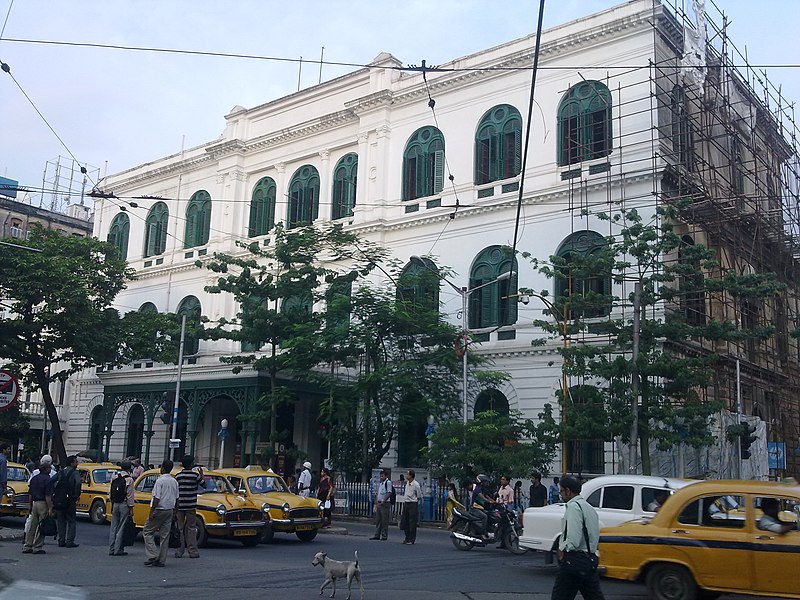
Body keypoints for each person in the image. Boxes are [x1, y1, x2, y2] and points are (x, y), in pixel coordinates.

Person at [552, 475, 605, 600]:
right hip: (590, 560)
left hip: (574, 561)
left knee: (560, 596)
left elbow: (573, 539)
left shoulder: (573, 507)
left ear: (568, 491)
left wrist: (562, 548)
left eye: (561, 490)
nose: (560, 494)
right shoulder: (589, 508)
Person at [142, 460, 179, 567]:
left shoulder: (160, 481)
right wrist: (175, 512)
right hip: (169, 509)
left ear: (162, 468)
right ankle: (162, 559)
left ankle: (152, 554)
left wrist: (152, 511)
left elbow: (156, 497)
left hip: (159, 509)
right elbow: (177, 498)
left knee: (147, 531)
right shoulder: (174, 481)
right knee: (165, 535)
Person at [174, 454, 205, 559]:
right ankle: (192, 550)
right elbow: (204, 485)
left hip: (180, 505)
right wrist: (202, 475)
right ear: (191, 464)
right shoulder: (195, 476)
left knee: (180, 528)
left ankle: (179, 551)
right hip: (191, 505)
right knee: (191, 528)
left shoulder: (178, 476)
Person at [22, 461, 54, 554]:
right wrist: (50, 507)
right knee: (42, 525)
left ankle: (27, 545)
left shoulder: (34, 479)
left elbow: (30, 494)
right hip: (43, 503)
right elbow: (48, 495)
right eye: (49, 468)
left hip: (35, 502)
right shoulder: (48, 480)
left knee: (32, 525)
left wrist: (30, 505)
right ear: (46, 469)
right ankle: (37, 546)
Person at [108, 460, 135, 556]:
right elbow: (130, 496)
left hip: (115, 503)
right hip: (124, 504)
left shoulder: (115, 477)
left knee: (113, 527)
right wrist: (131, 508)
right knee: (121, 527)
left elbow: (111, 493)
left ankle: (111, 548)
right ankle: (118, 549)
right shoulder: (129, 480)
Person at [54, 454, 81, 548]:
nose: (77, 463)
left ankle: (61, 540)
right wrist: (76, 495)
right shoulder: (75, 473)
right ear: (72, 463)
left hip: (60, 499)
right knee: (71, 520)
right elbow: (78, 483)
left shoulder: (61, 472)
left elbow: (52, 480)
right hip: (70, 499)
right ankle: (70, 541)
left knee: (61, 521)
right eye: (76, 461)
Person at [370, 469, 392, 541]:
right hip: (379, 503)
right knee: (378, 520)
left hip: (384, 503)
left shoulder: (388, 483)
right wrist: (377, 501)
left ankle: (384, 535)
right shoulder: (381, 483)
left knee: (384, 520)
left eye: (382, 476)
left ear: (386, 476)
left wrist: (384, 500)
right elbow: (378, 493)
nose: (381, 478)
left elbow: (389, 492)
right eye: (380, 476)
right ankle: (377, 534)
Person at [401, 469, 421, 545]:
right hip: (406, 502)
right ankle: (407, 537)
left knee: (412, 522)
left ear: (411, 476)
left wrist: (415, 499)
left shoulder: (416, 484)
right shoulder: (407, 483)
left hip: (413, 503)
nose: (406, 476)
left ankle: (411, 539)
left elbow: (418, 495)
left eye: (408, 474)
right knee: (405, 521)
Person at [470, 474, 492, 539]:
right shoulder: (477, 489)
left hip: (480, 508)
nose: (486, 483)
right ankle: (482, 532)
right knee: (485, 517)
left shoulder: (483, 489)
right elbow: (482, 497)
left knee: (490, 515)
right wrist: (489, 501)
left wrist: (495, 501)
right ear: (481, 482)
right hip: (474, 508)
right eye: (485, 482)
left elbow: (487, 496)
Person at [0, 443, 9, 529]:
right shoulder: (3, 460)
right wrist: (5, 487)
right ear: (4, 450)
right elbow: (3, 475)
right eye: (8, 449)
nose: (9, 451)